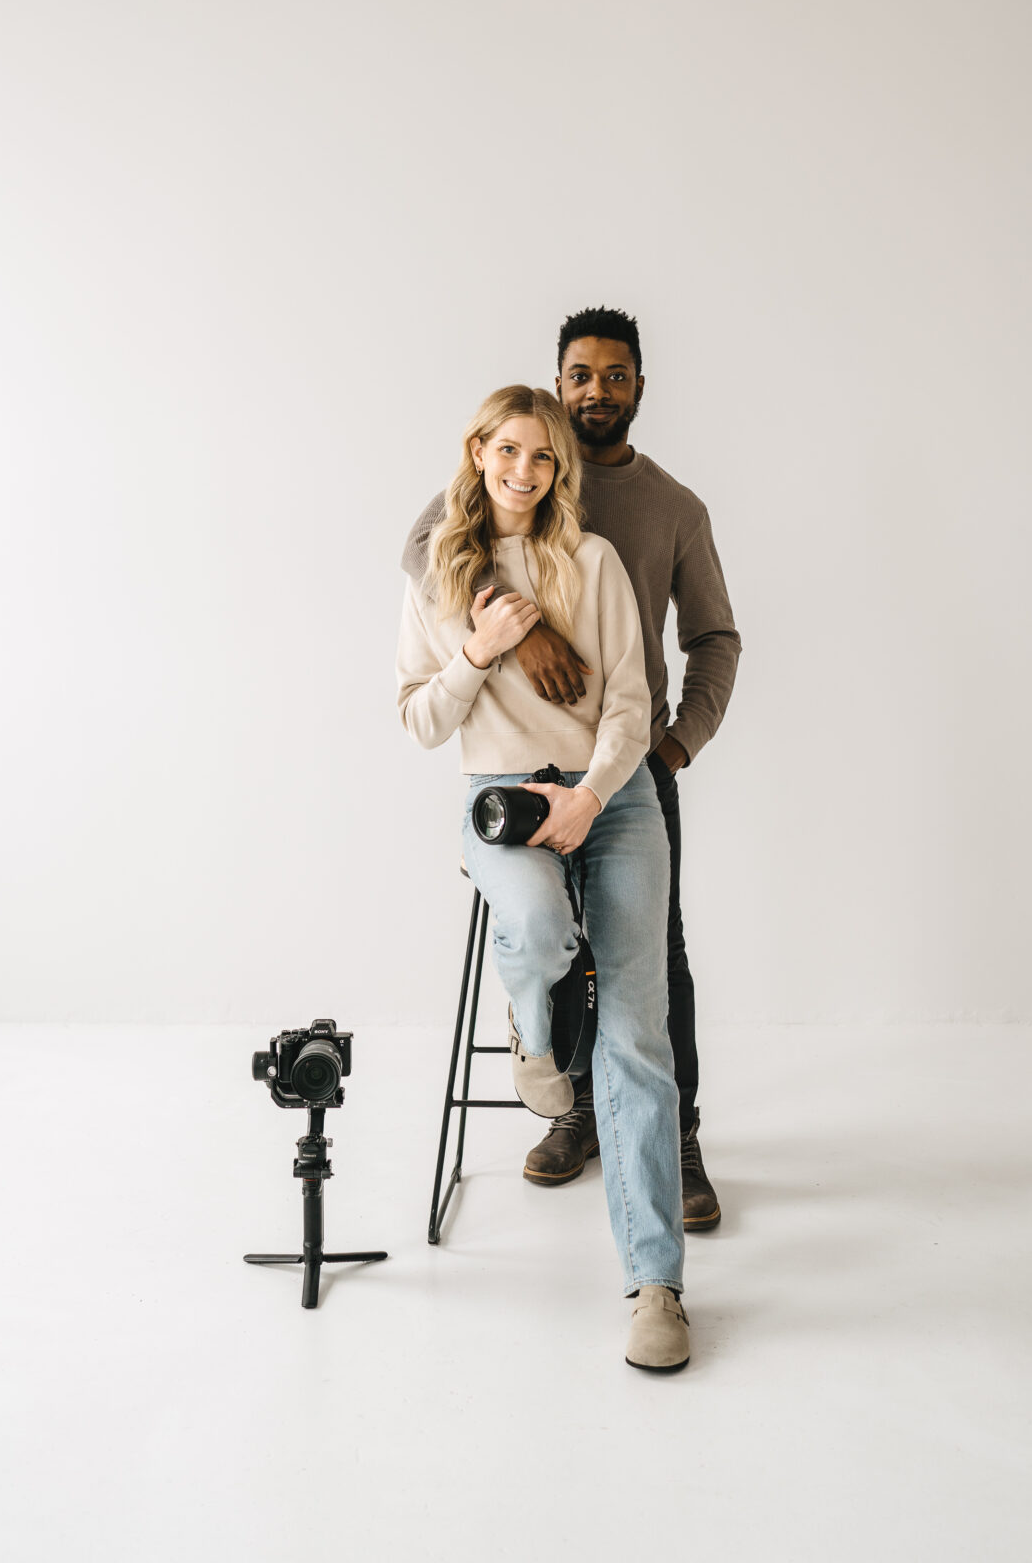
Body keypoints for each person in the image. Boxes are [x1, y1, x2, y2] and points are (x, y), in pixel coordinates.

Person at [402, 307, 740, 1228]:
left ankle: (676, 1140)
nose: (596, 390)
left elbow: (713, 637)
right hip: (514, 763)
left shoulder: (672, 508)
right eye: (580, 375)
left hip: (628, 761)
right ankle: (578, 1114)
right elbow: (427, 551)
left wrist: (675, 744)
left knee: (652, 959)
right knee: (558, 941)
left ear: (639, 387)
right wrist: (523, 626)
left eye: (615, 375)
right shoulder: (517, 464)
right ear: (558, 387)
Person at [396, 383, 692, 1372]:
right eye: (509, 450)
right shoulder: (442, 574)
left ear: (560, 470)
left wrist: (594, 797)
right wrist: (478, 651)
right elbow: (422, 721)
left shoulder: (593, 561)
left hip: (613, 802)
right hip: (502, 797)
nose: (525, 472)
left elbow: (630, 702)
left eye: (544, 458)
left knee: (637, 1040)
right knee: (538, 929)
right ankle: (529, 1021)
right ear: (479, 451)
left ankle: (656, 1286)